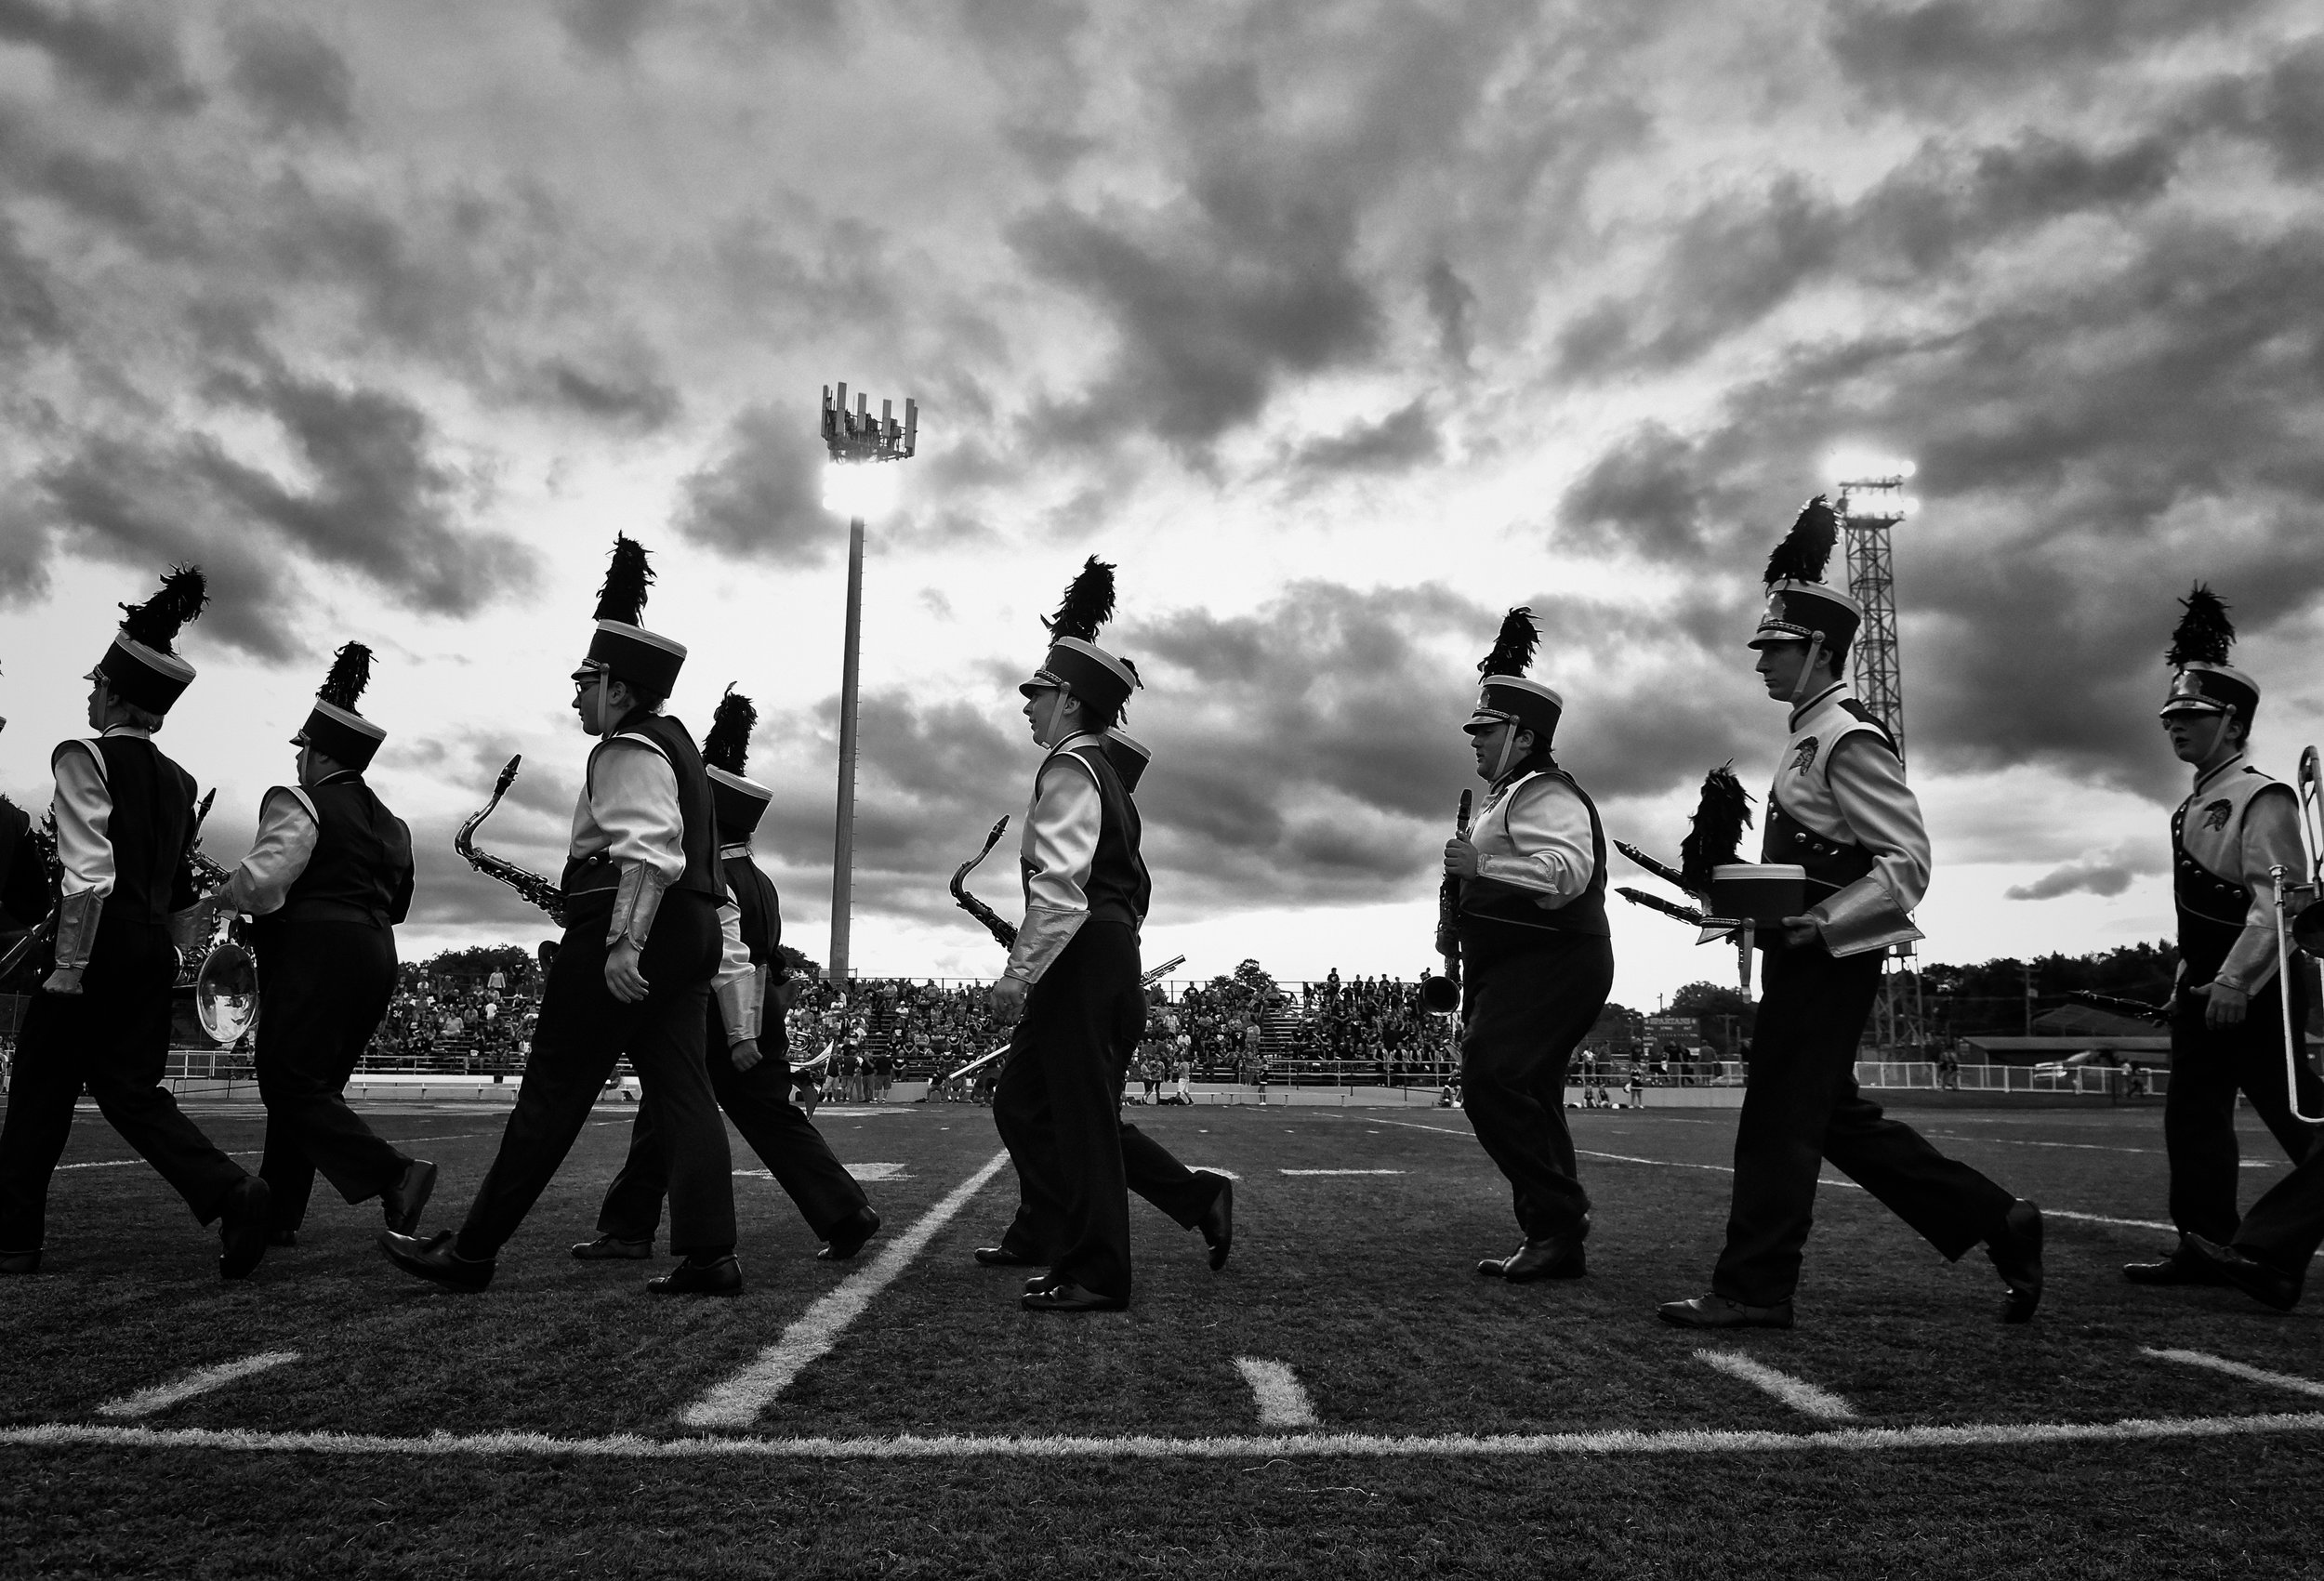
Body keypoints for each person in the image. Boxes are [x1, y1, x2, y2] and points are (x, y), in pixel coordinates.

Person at [1657, 497, 2041, 1330]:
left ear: (1821, 650)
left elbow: (1906, 864)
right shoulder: (1805, 735)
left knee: (1777, 1121)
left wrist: (1821, 925)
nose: (1762, 662)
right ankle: (1997, 1218)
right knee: (1831, 1117)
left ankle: (1756, 1288)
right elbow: (1817, 861)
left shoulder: (1846, 736)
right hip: (1806, 948)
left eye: (1777, 648)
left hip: (1832, 953)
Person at [379, 534, 738, 1295]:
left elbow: (649, 852)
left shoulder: (625, 748)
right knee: (682, 1094)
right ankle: (710, 1254)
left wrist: (621, 943)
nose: (576, 693)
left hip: (631, 929)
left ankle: (472, 1251)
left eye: (586, 680)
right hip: (692, 931)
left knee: (550, 1093)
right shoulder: (678, 746)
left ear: (617, 686)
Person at [0, 567, 274, 1280]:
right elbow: (181, 891)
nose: (90, 691)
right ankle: (231, 1189)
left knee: (36, 1093)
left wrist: (68, 964)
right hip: (150, 951)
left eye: (96, 681)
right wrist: (169, 955)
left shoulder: (80, 755)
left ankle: (13, 1237)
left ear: (118, 692)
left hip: (91, 950)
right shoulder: (179, 781)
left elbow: (88, 872)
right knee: (132, 1094)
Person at [978, 559, 1225, 1312]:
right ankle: (1071, 1225)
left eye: (1039, 694)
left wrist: (1018, 972)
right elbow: (1131, 884)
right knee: (1025, 1103)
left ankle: (1096, 1270)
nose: (1028, 706)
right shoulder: (1099, 772)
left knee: (1081, 1119)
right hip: (1099, 952)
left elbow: (1060, 886)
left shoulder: (1071, 770)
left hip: (1080, 956)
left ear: (1070, 701)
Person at [575, 689, 880, 1266]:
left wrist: (739, 1031)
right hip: (754, 1007)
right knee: (757, 1118)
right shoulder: (756, 875)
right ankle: (844, 1210)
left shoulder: (717, 876)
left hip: (722, 1007)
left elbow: (728, 952)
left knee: (674, 1111)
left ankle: (631, 1228)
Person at [2125, 587, 2319, 1299]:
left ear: (2233, 721)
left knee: (2301, 1120)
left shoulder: (2260, 795)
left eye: (2193, 715)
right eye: (2172, 714)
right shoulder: (2196, 800)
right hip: (2207, 987)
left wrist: (2238, 981)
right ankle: (2203, 1244)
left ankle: (2267, 1247)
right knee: (2194, 1122)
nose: (2176, 725)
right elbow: (2200, 910)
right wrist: (2188, 977)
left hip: (2256, 989)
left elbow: (2276, 902)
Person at [220, 643, 433, 1248]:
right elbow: (401, 904)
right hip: (378, 956)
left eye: (302, 750)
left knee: (286, 1080)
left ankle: (396, 1175)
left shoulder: (302, 800)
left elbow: (262, 883)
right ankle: (279, 1211)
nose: (297, 761)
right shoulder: (396, 823)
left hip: (314, 952)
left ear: (319, 752)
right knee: (313, 1087)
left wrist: (218, 896)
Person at [1442, 608, 1615, 1283]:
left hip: (1553, 962)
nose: (1475, 742)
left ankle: (1560, 1214)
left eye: (1486, 731)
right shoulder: (1506, 795)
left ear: (1523, 734)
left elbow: (1567, 873)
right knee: (1529, 1095)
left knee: (1491, 1079)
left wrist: (1479, 869)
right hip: (1520, 966)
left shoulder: (1546, 791)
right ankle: (1553, 1238)